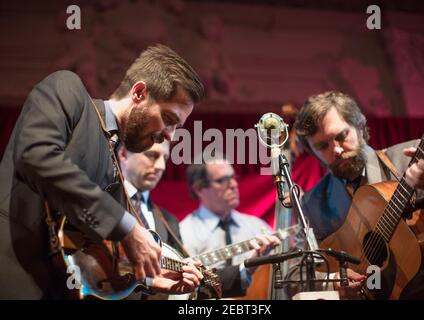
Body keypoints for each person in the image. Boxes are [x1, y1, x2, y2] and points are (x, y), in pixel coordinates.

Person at [0, 44, 204, 299]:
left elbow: (105, 258)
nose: (169, 135)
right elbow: (36, 155)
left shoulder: (115, 164)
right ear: (139, 92)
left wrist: (150, 279)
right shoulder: (67, 87)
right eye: (169, 119)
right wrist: (127, 227)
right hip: (12, 275)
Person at [293, 90, 424, 299]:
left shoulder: (408, 159)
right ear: (312, 152)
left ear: (359, 127)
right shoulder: (313, 203)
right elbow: (306, 272)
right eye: (323, 146)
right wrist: (332, 281)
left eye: (341, 136)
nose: (337, 150)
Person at [119, 142, 280, 297]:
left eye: (165, 158)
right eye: (152, 155)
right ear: (123, 154)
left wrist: (247, 267)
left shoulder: (169, 221)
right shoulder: (106, 205)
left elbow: (192, 281)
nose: (161, 165)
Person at [180, 158, 281, 295]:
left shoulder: (256, 226)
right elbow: (188, 288)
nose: (233, 184)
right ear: (199, 189)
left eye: (233, 177)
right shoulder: (185, 232)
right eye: (222, 180)